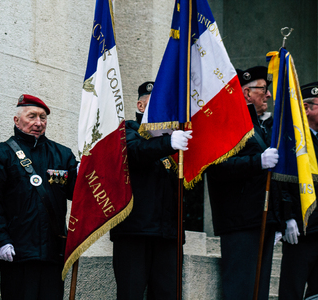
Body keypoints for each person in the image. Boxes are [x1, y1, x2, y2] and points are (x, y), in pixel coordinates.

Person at [0, 94, 78, 300]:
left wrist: (89, 168)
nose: (38, 123)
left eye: (42, 117)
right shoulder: (0, 154)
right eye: (32, 116)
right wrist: (1, 241)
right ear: (17, 120)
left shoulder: (62, 154)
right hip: (18, 252)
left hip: (54, 252)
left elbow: (78, 195)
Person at [110, 81, 193, 299]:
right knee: (131, 293)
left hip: (168, 235)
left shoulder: (173, 137)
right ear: (140, 106)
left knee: (168, 293)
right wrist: (168, 144)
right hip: (134, 233)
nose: (162, 109)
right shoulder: (127, 129)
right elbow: (134, 153)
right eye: (155, 104)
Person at [206, 66, 280, 300]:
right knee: (241, 291)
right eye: (263, 89)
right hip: (239, 220)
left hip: (262, 219)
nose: (268, 94)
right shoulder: (227, 121)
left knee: (258, 292)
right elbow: (217, 168)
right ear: (246, 93)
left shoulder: (260, 125)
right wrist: (257, 162)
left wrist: (280, 216)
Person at [278, 82, 318, 300]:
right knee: (291, 291)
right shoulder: (293, 139)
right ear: (307, 108)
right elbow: (283, 182)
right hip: (301, 231)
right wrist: (288, 218)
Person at [237, 66, 274, 143]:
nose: (269, 94)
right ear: (248, 94)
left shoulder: (269, 124)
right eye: (264, 89)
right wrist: (261, 156)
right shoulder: (232, 129)